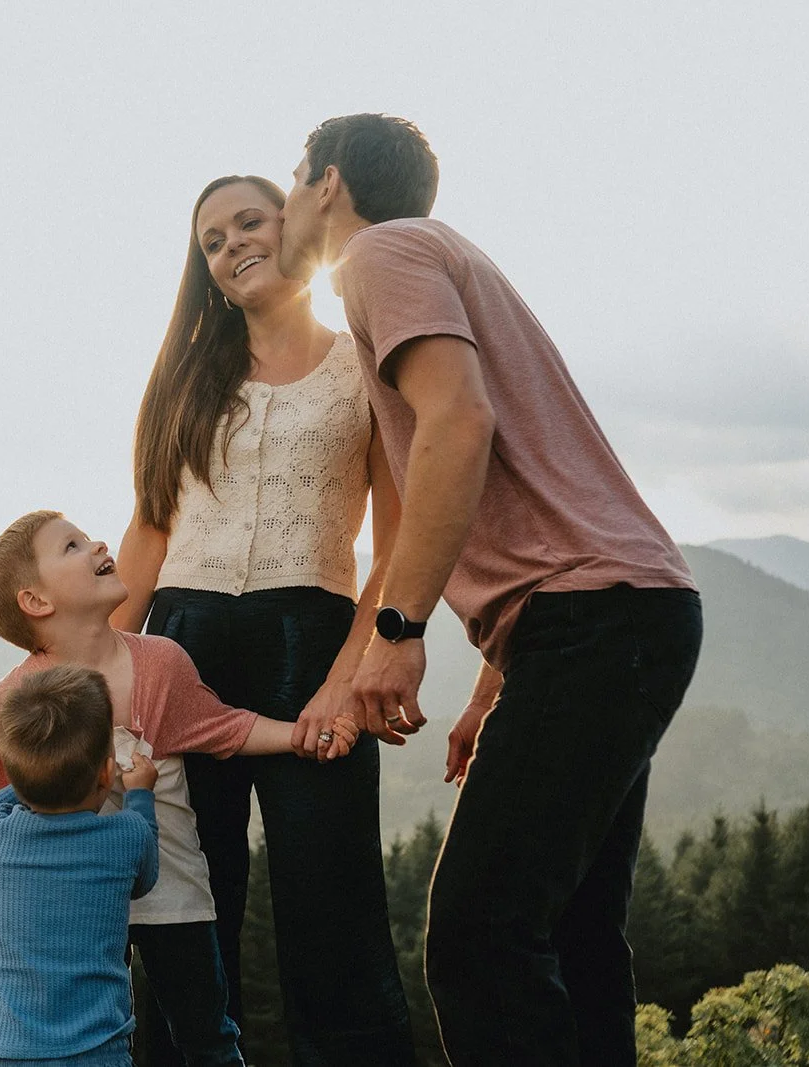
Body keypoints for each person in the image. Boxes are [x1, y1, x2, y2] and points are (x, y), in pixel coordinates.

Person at [276, 114, 705, 1066]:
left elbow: (459, 425)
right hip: (617, 613)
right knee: (569, 932)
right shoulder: (441, 253)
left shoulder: (381, 255)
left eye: (295, 175)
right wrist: (495, 679)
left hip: (598, 621)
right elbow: (532, 498)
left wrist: (400, 626)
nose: (288, 196)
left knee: (479, 934)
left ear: (331, 181)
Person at [112, 174, 414, 1065]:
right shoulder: (184, 377)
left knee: (333, 898)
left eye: (249, 221)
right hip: (178, 647)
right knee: (182, 905)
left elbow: (397, 545)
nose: (233, 244)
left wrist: (348, 675)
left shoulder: (368, 362)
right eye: (211, 240)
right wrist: (93, 672)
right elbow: (148, 529)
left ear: (292, 225)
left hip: (311, 642)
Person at [0, 510, 358, 1067]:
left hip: (171, 884)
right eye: (72, 546)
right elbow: (5, 793)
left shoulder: (159, 662)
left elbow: (224, 726)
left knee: (206, 1032)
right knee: (102, 1032)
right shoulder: (18, 698)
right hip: (80, 898)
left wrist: (303, 734)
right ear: (36, 601)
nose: (98, 543)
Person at [0, 664, 160, 1066]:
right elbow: (146, 879)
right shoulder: (126, 836)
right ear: (107, 773)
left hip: (8, 1053)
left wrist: (24, 783)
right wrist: (140, 794)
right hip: (99, 1050)